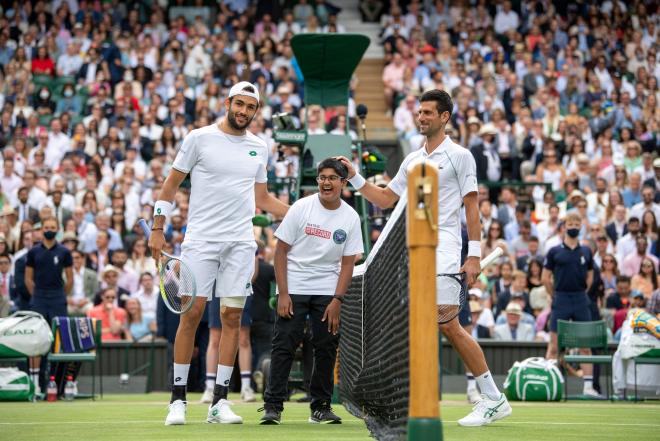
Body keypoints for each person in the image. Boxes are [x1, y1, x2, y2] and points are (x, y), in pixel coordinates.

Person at [338, 89, 512, 427]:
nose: (421, 117)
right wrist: (355, 177)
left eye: (428, 113)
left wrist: (473, 255)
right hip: (412, 255)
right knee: (417, 326)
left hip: (445, 251)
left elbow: (472, 207)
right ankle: (407, 399)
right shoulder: (412, 159)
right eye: (419, 113)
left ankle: (492, 398)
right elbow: (387, 199)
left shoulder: (461, 156)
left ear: (444, 117)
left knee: (447, 324)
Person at [148, 81, 288, 426]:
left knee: (231, 319)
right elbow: (170, 185)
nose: (243, 112)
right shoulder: (199, 138)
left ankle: (220, 402)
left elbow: (263, 199)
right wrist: (156, 227)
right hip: (201, 240)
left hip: (240, 243)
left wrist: (303, 211)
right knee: (192, 313)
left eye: (250, 107)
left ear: (256, 111)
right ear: (228, 103)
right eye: (239, 104)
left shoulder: (259, 146)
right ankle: (177, 400)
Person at [260, 158, 363, 425]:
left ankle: (321, 407)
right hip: (294, 287)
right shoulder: (301, 208)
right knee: (283, 345)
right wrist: (283, 293)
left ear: (343, 182)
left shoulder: (351, 217)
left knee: (326, 348)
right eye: (322, 177)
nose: (326, 182)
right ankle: (273, 406)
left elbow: (348, 263)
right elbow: (280, 252)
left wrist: (338, 300)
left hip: (328, 291)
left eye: (332, 178)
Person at [542, 212, 599, 397]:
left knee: (585, 346)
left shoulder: (586, 251)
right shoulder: (554, 251)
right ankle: (547, 384)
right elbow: (545, 278)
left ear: (581, 225)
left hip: (581, 299)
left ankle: (588, 387)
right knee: (554, 345)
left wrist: (582, 291)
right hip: (561, 299)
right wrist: (556, 295)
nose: (573, 225)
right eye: (570, 223)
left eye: (577, 222)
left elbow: (590, 276)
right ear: (564, 226)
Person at [25, 216, 73, 392]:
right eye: (46, 227)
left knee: (59, 340)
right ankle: (36, 384)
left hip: (58, 299)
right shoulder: (33, 252)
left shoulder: (64, 252)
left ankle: (58, 384)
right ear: (41, 229)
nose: (49, 229)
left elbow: (70, 279)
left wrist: (60, 295)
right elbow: (28, 279)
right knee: (36, 340)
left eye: (53, 226)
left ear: (58, 228)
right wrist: (37, 295)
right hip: (39, 298)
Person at [67, 249, 99, 315]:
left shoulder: (92, 274)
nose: (74, 260)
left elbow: (96, 291)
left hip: (86, 303)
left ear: (82, 258)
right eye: (72, 258)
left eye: (77, 258)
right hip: (70, 303)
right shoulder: (64, 274)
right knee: (61, 308)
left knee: (92, 309)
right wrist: (67, 299)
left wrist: (86, 300)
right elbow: (60, 290)